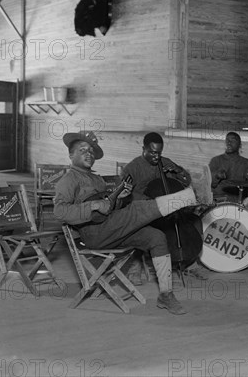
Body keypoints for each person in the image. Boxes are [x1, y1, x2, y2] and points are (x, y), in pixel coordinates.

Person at [53, 131, 196, 315]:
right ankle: (187, 198)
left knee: (156, 237)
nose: (89, 153)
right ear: (71, 155)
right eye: (82, 150)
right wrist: (93, 205)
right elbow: (59, 212)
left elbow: (109, 209)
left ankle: (166, 294)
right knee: (136, 209)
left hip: (110, 229)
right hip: (93, 234)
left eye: (91, 150)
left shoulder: (97, 179)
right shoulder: (68, 180)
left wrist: (119, 199)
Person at [120, 132, 207, 282]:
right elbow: (124, 197)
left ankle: (190, 262)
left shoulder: (165, 162)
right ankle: (136, 265)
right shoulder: (132, 168)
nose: (156, 157)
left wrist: (178, 170)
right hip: (144, 210)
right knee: (141, 229)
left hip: (169, 209)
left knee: (192, 220)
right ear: (144, 149)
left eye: (159, 153)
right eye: (153, 153)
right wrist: (149, 202)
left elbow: (186, 181)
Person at [209, 132, 248, 203]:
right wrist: (217, 175)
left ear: (239, 145)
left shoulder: (247, 163)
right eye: (227, 140)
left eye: (233, 140)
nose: (229, 143)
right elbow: (208, 182)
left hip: (239, 201)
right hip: (219, 200)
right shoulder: (216, 160)